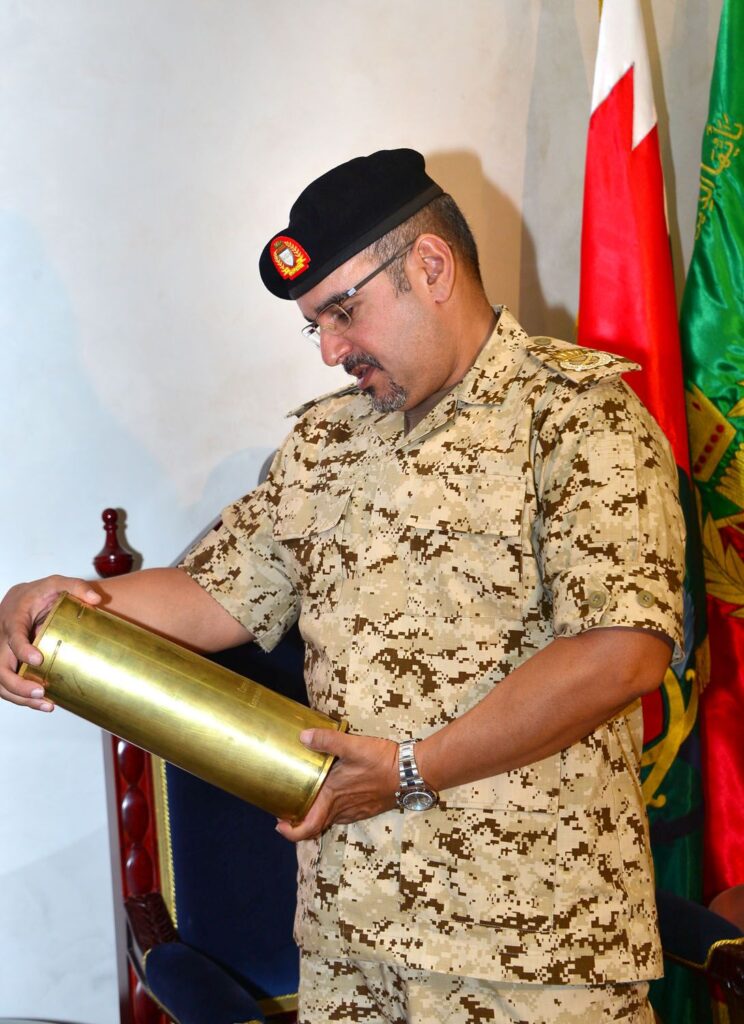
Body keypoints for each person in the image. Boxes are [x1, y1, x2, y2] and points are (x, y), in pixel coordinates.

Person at [0, 149, 684, 1023]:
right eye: (314, 326)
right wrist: (52, 604)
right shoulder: (327, 444)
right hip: (351, 944)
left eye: (343, 312)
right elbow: (215, 595)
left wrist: (412, 771)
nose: (329, 350)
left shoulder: (578, 417)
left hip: (532, 956)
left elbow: (621, 654)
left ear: (431, 267)